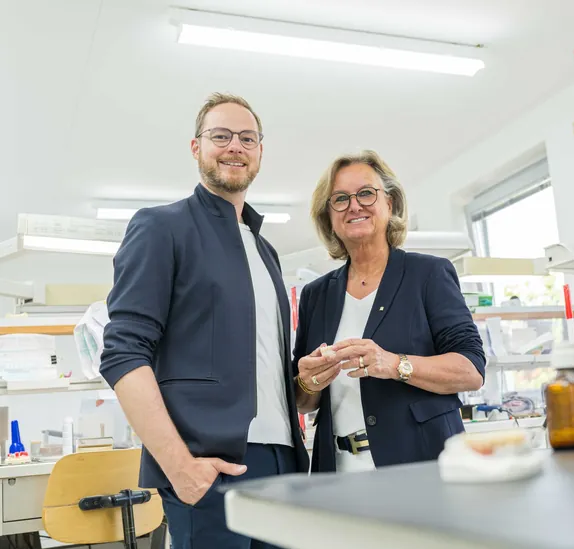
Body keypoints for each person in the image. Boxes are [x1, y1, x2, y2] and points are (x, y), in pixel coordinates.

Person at [100, 92, 308, 549]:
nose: (235, 146)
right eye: (221, 136)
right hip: (209, 466)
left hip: (283, 463)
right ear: (196, 147)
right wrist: (179, 466)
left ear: (260, 152)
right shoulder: (162, 227)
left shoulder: (265, 250)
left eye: (247, 138)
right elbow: (123, 354)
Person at [292, 150, 486, 473]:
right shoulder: (316, 295)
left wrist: (395, 364)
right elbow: (303, 400)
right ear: (329, 217)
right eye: (340, 199)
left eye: (366, 193)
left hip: (421, 465)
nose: (354, 206)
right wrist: (308, 382)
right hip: (338, 472)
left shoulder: (428, 275)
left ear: (390, 203)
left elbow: (472, 370)